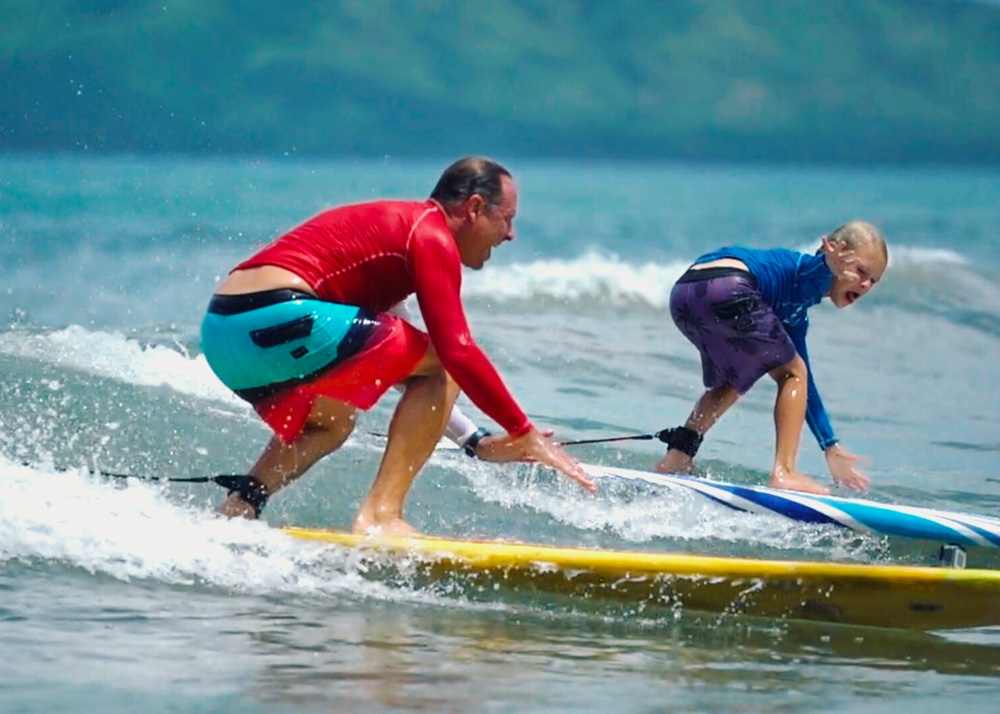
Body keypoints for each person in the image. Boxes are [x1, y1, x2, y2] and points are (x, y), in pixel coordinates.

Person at [200, 157, 596, 535]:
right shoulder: (430, 232)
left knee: (332, 424)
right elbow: (455, 352)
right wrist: (522, 430)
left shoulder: (393, 242)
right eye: (506, 219)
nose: (510, 234)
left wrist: (476, 442)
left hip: (225, 336)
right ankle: (381, 515)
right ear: (475, 207)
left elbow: (412, 370)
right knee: (444, 359)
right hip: (279, 314)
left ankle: (241, 505)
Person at [653, 221, 888, 495]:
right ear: (833, 250)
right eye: (860, 271)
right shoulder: (806, 271)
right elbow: (811, 271)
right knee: (792, 372)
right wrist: (827, 265)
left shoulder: (794, 311)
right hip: (729, 283)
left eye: (874, 280)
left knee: (736, 378)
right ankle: (785, 472)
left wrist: (829, 444)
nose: (866, 284)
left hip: (686, 293)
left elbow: (805, 386)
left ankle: (678, 456)